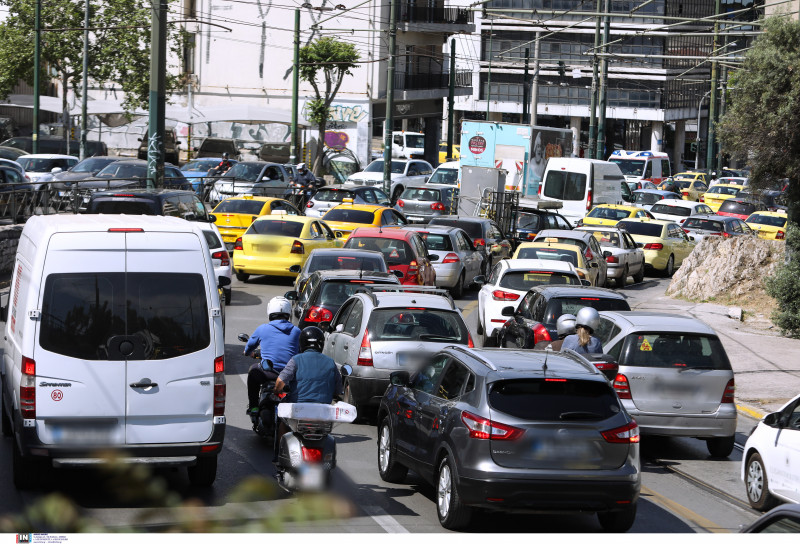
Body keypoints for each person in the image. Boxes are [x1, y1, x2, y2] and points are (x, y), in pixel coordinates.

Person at [273, 326, 343, 460]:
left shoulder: (296, 360)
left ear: (302, 343)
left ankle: (279, 456)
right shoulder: (330, 363)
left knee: (281, 423)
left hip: (298, 411)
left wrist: (277, 390)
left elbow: (280, 382)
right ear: (321, 344)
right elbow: (338, 390)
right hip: (323, 414)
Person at [244, 296, 301, 415]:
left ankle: (254, 406)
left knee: (253, 371)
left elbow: (249, 346)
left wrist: (249, 353)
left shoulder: (263, 329)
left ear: (270, 312)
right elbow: (300, 351)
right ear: (288, 313)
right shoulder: (296, 331)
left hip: (268, 373)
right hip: (289, 375)